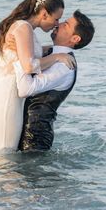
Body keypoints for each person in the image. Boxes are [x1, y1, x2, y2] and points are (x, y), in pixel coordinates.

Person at [0, 0, 75, 151]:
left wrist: (59, 49)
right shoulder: (24, 27)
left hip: (1, 90)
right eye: (56, 19)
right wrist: (57, 56)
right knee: (3, 153)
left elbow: (30, 54)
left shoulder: (22, 26)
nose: (57, 24)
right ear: (44, 14)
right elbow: (29, 65)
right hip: (8, 95)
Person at [13, 10, 95, 152]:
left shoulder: (64, 65)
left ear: (75, 38)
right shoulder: (53, 54)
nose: (59, 24)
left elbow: (26, 89)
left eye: (66, 24)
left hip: (33, 140)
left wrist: (21, 62)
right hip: (26, 135)